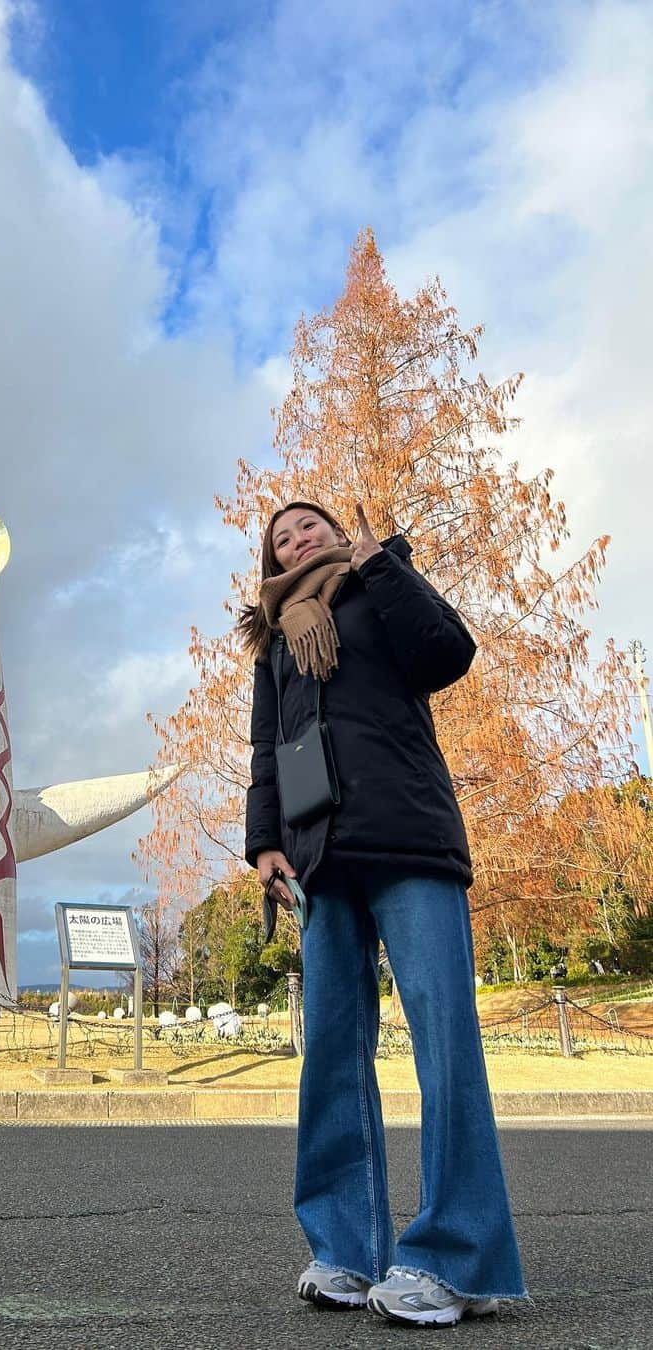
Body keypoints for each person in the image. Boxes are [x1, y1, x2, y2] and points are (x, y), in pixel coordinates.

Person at [242, 499, 527, 1327]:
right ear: (272, 560)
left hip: (408, 839)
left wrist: (379, 564)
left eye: (311, 526)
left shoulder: (381, 584)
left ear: (339, 532)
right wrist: (265, 844)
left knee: (443, 1038)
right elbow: (269, 749)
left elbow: (448, 654)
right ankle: (344, 1248)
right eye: (282, 537)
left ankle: (455, 1260)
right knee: (331, 1048)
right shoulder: (275, 642)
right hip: (319, 856)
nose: (298, 539)